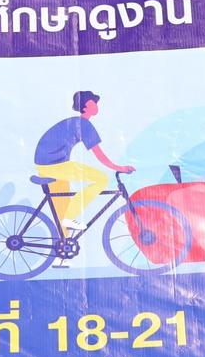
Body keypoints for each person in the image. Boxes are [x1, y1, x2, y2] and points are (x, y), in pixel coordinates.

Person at [31, 91, 133, 248]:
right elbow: (99, 155)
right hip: (54, 164)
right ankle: (69, 218)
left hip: (48, 163)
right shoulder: (83, 124)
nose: (96, 106)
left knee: (63, 206)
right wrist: (119, 168)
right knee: (102, 179)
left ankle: (63, 249)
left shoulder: (77, 122)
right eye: (93, 103)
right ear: (85, 106)